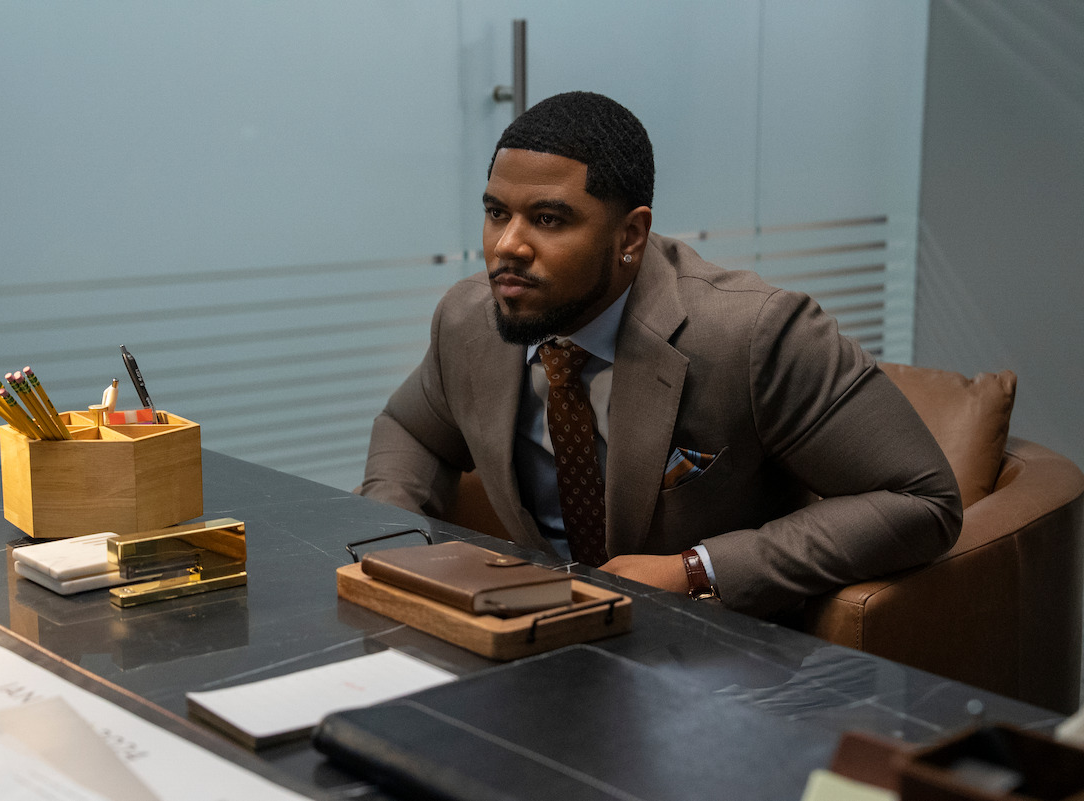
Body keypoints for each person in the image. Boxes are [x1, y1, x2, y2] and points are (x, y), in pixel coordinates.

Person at [359, 91, 961, 618]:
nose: (506, 247)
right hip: (535, 633)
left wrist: (695, 571)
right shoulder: (471, 320)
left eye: (547, 219)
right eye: (496, 213)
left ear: (630, 236)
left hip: (713, 652)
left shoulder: (756, 333)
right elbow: (410, 431)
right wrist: (395, 548)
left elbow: (923, 500)